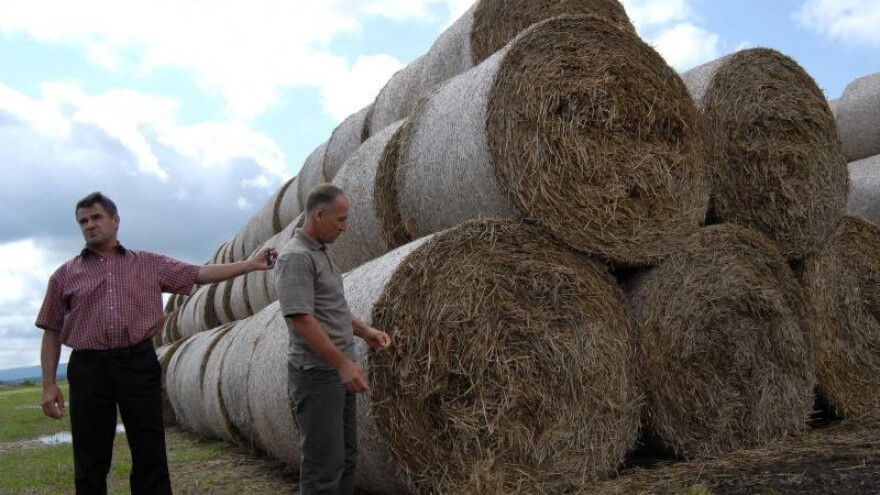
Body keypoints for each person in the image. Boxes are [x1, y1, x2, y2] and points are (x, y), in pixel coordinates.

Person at [35, 191, 278, 495]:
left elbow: (198, 273)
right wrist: (48, 384)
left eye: (96, 217)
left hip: (136, 362)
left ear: (115, 220)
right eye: (83, 221)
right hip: (88, 368)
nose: (90, 225)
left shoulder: (149, 263)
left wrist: (250, 265)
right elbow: (51, 331)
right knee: (89, 454)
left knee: (149, 447)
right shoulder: (64, 276)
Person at [275, 183, 391, 495]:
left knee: (346, 458)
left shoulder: (322, 252)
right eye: (340, 220)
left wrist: (366, 332)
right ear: (319, 215)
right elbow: (302, 319)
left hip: (336, 370)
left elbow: (332, 310)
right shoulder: (296, 257)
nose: (344, 227)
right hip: (317, 374)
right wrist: (342, 364)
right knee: (323, 467)